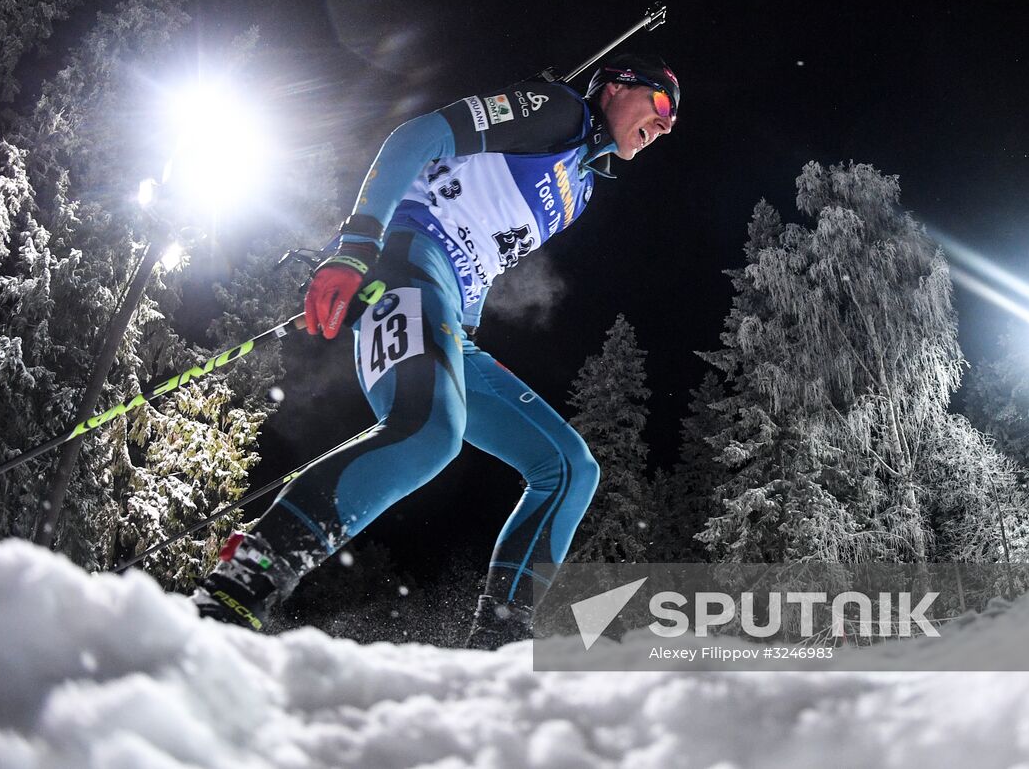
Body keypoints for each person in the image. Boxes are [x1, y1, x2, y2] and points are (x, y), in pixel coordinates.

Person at [192, 53, 680, 647]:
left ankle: (495, 645)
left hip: (445, 308)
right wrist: (356, 245)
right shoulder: (559, 112)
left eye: (672, 121)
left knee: (569, 468)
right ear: (616, 87)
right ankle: (241, 584)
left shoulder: (581, 188)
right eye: (659, 103)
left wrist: (462, 321)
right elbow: (420, 135)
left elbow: (487, 246)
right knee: (428, 434)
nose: (664, 124)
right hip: (407, 263)